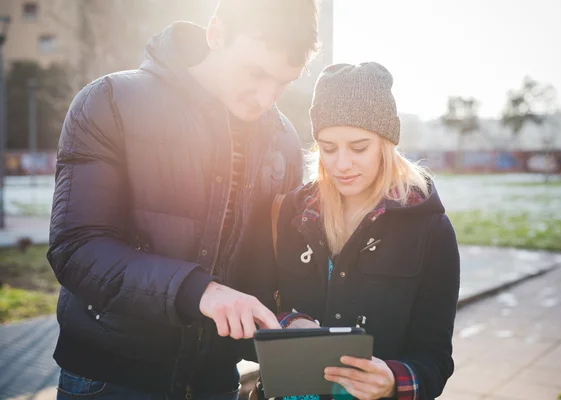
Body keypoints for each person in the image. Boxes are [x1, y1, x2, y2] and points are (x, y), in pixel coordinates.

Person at [47, 1, 319, 399]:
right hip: (111, 380)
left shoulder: (283, 140)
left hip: (214, 382)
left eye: (284, 82)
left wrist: (290, 319)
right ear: (216, 33)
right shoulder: (109, 102)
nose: (265, 97)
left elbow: (269, 267)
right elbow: (76, 249)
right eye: (256, 72)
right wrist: (200, 291)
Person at [248, 62, 461, 400]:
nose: (341, 164)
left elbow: (434, 360)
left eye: (359, 147)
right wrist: (290, 321)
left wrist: (393, 380)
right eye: (328, 148)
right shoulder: (292, 212)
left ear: (386, 143)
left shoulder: (430, 230)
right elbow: (255, 305)